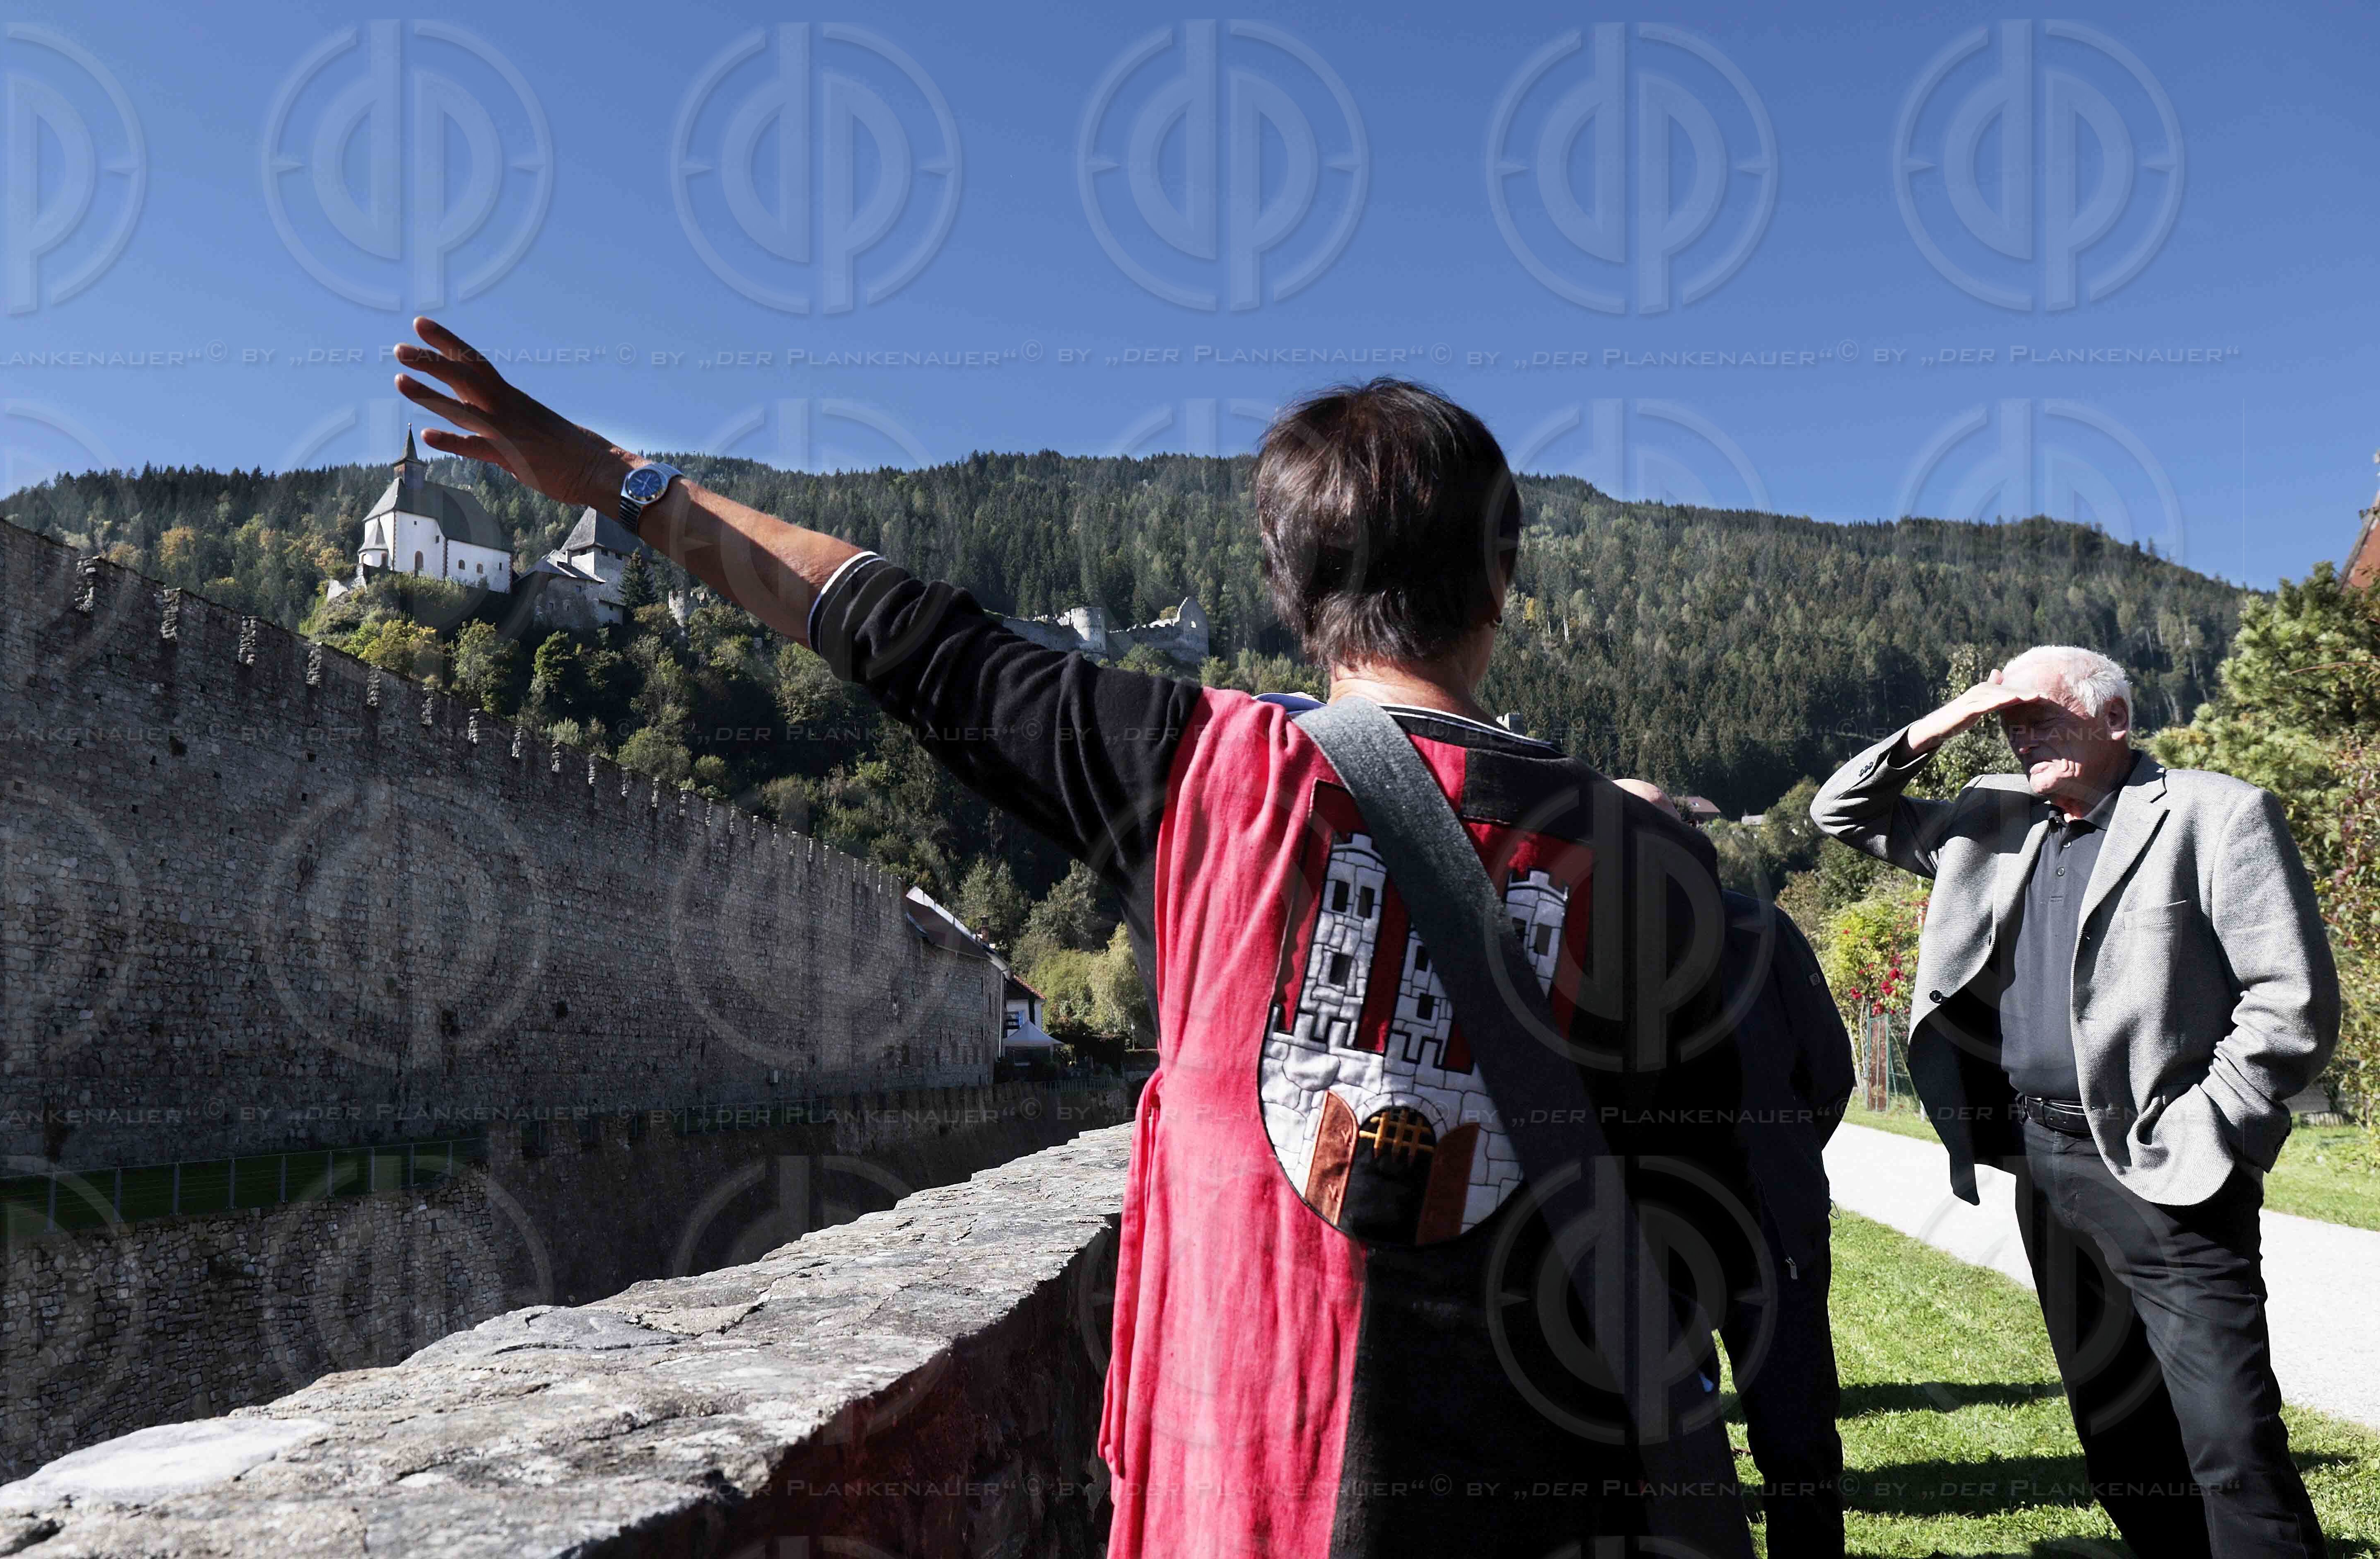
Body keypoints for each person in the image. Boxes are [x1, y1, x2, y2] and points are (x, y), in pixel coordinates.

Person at [388, 318, 1759, 1557]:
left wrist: (618, 481)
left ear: (1289, 592)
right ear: (1498, 582)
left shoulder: (1200, 772)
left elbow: (885, 625)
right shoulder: (1654, 870)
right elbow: (1699, 1252)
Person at [1812, 646, 2339, 1559]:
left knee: (2230, 1436)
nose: (2021, 737)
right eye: (2010, 724)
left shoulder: (2216, 815)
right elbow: (1839, 810)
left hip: (2170, 1163)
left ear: (2116, 719)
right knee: (2116, 1431)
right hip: (2042, 1160)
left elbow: (2291, 1002)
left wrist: (2209, 1120)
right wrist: (1956, 717)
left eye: (2040, 717)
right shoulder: (1992, 819)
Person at [1617, 780, 1850, 1559]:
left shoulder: (1759, 929)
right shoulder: (1585, 940)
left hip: (1768, 1225)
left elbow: (1827, 1072)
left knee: (1795, 1434)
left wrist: (1778, 1159)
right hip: (1649, 1234)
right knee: (1665, 1444)